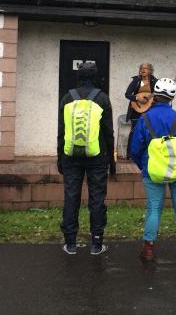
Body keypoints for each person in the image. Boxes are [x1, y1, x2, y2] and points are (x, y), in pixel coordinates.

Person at [130, 78, 176, 261]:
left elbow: (135, 149)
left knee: (153, 208)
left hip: (152, 171)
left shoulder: (144, 119)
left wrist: (143, 166)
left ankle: (149, 248)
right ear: (172, 97)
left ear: (155, 94)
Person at [57, 61, 115, 255]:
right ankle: (97, 243)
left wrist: (60, 158)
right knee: (97, 198)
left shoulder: (67, 98)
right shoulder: (102, 99)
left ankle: (71, 243)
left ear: (78, 78)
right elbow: (109, 133)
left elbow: (62, 131)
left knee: (71, 196)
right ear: (95, 78)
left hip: (70, 156)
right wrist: (112, 162)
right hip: (97, 157)